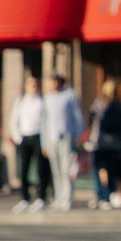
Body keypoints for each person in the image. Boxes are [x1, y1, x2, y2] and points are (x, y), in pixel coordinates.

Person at [42, 74, 85, 214]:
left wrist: (78, 134)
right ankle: (58, 198)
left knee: (66, 170)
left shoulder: (69, 95)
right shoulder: (47, 98)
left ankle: (67, 198)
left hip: (67, 137)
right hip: (51, 138)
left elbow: (77, 115)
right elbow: (44, 122)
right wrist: (44, 142)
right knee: (56, 170)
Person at [8, 74, 51, 211]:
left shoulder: (43, 101)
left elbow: (48, 121)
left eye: (36, 84)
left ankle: (41, 197)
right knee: (24, 169)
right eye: (31, 84)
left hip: (40, 136)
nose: (34, 87)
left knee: (41, 168)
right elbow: (14, 119)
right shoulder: (21, 101)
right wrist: (17, 137)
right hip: (24, 137)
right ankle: (24, 198)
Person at [88, 77, 121, 207]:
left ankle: (105, 195)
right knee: (103, 169)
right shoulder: (113, 104)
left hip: (107, 142)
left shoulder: (114, 105)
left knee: (105, 169)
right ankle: (104, 195)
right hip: (103, 142)